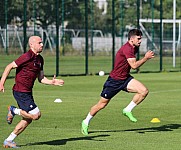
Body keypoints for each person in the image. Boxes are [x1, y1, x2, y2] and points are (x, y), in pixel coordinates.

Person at [81, 29, 154, 135]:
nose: (140, 41)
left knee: (144, 91)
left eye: (140, 38)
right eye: (138, 38)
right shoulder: (127, 49)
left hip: (125, 79)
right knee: (101, 104)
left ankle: (127, 110)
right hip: (114, 81)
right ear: (131, 39)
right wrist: (146, 58)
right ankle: (85, 122)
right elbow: (134, 66)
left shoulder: (135, 47)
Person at [0, 36, 64, 148]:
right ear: (32, 45)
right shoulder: (27, 56)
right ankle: (13, 110)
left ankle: (8, 140)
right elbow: (9, 66)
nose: (42, 45)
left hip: (27, 92)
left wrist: (52, 82)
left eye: (42, 42)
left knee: (27, 120)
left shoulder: (40, 60)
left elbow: (41, 78)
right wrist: (1, 83)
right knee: (36, 115)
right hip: (20, 91)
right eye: (39, 43)